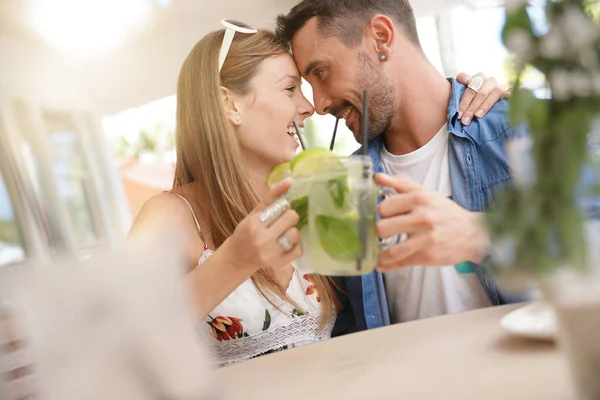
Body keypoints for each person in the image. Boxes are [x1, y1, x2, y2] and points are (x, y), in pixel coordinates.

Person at [127, 19, 505, 365]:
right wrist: (235, 261)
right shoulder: (170, 215)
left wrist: (471, 94)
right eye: (290, 88)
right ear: (229, 104)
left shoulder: (313, 199)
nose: (310, 107)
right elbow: (114, 339)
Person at [276, 0, 523, 332]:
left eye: (321, 73)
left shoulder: (521, 133)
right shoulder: (341, 189)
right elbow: (347, 322)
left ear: (381, 37)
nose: (319, 105)